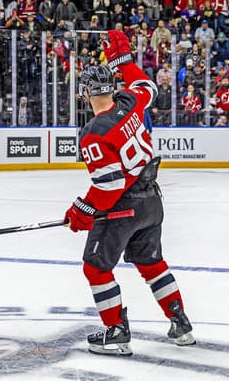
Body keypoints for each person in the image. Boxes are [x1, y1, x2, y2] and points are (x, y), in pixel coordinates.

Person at [65, 30, 195, 356]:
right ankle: (180, 322)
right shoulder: (130, 101)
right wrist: (124, 62)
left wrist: (82, 210)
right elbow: (146, 86)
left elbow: (108, 187)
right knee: (151, 262)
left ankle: (116, 332)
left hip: (122, 208)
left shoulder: (94, 132)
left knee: (96, 267)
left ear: (85, 93)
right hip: (152, 200)